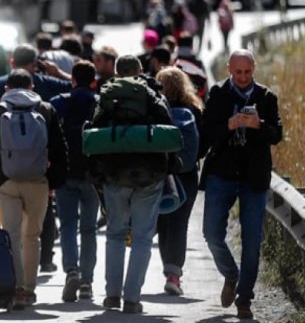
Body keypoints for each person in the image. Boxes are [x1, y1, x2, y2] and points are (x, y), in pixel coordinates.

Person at [0, 69, 68, 309]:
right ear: (32, 87)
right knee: (32, 236)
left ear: (6, 89)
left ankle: (15, 287)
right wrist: (52, 183)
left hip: (6, 182)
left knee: (11, 234)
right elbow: (59, 149)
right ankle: (29, 290)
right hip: (38, 181)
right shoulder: (46, 110)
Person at [201, 49, 282, 319]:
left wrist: (259, 125)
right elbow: (207, 132)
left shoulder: (266, 97)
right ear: (229, 70)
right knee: (211, 233)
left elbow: (277, 134)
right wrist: (230, 124)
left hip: (253, 177)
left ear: (254, 68)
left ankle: (244, 298)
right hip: (222, 174)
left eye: (248, 72)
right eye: (238, 72)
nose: (243, 77)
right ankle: (230, 273)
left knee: (252, 242)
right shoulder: (218, 94)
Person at [91, 55, 173, 314]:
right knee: (142, 237)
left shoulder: (106, 97)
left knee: (114, 233)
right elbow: (168, 127)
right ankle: (132, 298)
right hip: (149, 175)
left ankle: (112, 295)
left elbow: (96, 132)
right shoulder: (152, 95)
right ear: (139, 71)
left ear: (116, 73)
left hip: (115, 174)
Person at [50, 61, 100, 302]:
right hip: (93, 175)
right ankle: (87, 282)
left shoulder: (59, 102)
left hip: (64, 173)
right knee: (89, 229)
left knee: (68, 226)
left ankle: (72, 270)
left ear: (72, 79)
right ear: (93, 81)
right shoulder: (100, 103)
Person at [154, 66, 204, 296]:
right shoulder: (194, 109)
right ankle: (173, 275)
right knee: (179, 224)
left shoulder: (153, 110)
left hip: (159, 173)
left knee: (163, 222)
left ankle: (168, 271)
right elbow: (203, 145)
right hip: (186, 174)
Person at [0, 43, 71, 128]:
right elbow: (79, 86)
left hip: (5, 147)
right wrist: (59, 73)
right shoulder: (46, 82)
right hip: (41, 146)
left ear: (12, 62)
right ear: (35, 64)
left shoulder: (0, 84)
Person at [174, 34, 209, 101]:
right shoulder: (198, 62)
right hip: (196, 99)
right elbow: (205, 84)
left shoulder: (174, 61)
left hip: (177, 99)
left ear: (178, 45)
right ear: (191, 45)